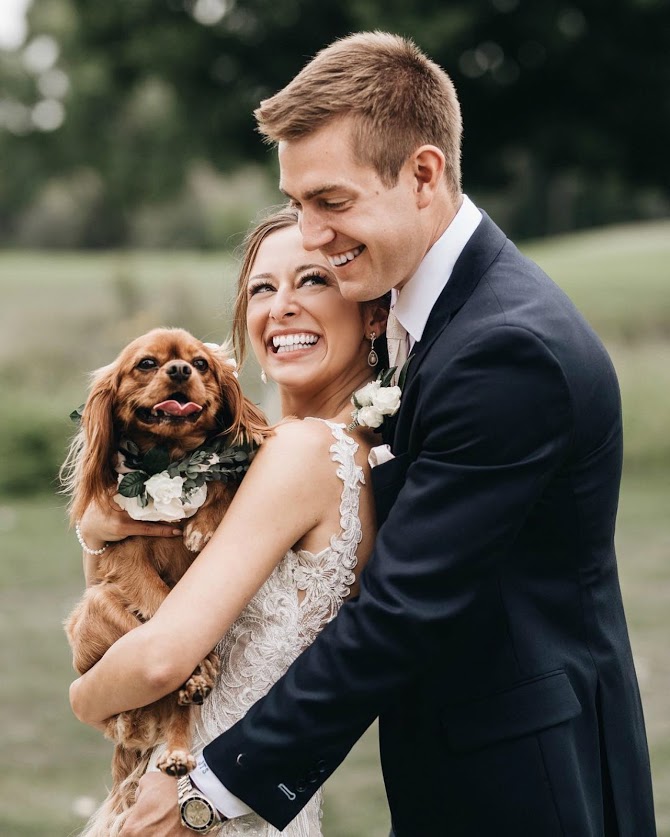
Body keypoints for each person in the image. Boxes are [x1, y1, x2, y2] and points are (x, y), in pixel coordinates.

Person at [86, 31, 657, 837]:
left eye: (331, 201)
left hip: (524, 779)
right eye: (296, 205)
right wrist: (105, 517)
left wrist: (209, 787)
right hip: (454, 762)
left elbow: (403, 608)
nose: (311, 233)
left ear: (424, 174)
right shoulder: (411, 317)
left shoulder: (505, 347)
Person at [68, 204, 390, 836]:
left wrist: (82, 699)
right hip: (245, 801)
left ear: (372, 310)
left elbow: (158, 661)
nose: (282, 305)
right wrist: (98, 529)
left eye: (314, 280)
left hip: (188, 800)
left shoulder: (301, 452)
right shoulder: (352, 451)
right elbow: (123, 584)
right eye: (262, 288)